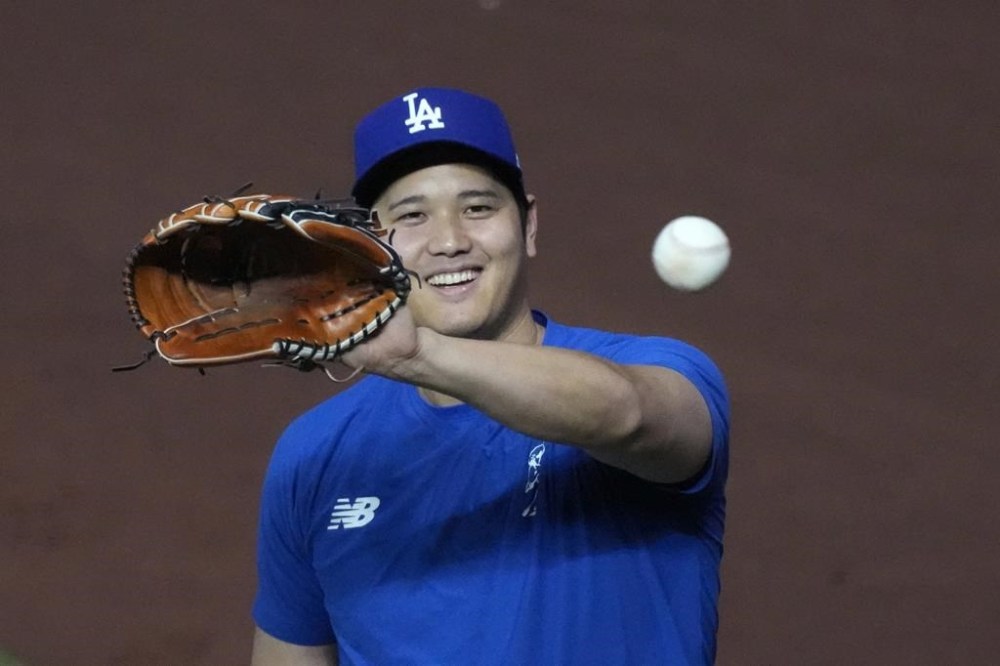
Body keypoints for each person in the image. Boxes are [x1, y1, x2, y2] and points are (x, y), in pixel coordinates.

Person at [250, 87, 731, 666]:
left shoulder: (656, 371)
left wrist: (414, 355)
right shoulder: (313, 456)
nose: (450, 241)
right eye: (412, 216)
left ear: (528, 225)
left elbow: (625, 416)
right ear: (370, 248)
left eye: (478, 207)